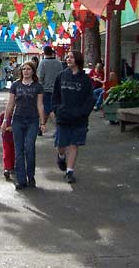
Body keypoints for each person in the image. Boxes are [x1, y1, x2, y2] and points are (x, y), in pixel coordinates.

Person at [52, 50, 94, 184]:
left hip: (79, 119)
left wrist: (83, 112)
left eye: (71, 57)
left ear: (77, 60)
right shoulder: (61, 76)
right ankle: (61, 156)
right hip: (63, 117)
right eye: (67, 57)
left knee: (74, 144)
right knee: (61, 144)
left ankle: (69, 172)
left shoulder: (85, 79)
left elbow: (90, 99)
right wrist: (57, 109)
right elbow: (55, 96)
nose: (68, 59)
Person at [3, 61, 46, 190]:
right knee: (19, 150)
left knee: (30, 148)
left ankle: (31, 176)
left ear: (33, 71)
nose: (26, 71)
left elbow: (40, 105)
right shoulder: (15, 85)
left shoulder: (38, 86)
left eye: (28, 69)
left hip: (32, 120)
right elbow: (10, 104)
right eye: (24, 69)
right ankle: (21, 179)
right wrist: (6, 119)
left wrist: (42, 122)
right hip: (18, 120)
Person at [37, 45, 63, 134]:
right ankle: (41, 127)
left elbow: (40, 77)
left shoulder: (43, 63)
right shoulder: (59, 63)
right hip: (57, 89)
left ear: (44, 53)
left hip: (46, 89)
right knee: (48, 109)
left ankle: (59, 129)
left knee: (49, 110)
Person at [0, 112, 14, 180]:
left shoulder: (18, 115)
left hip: (16, 138)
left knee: (13, 153)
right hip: (6, 138)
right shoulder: (3, 115)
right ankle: (7, 168)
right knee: (6, 153)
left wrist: (13, 128)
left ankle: (13, 166)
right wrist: (5, 128)